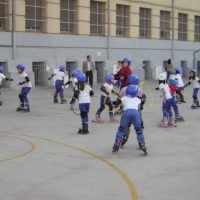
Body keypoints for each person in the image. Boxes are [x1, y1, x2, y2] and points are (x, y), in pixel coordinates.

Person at [112, 85, 147, 155]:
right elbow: (143, 101)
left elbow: (117, 102)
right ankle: (142, 143)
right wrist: (143, 99)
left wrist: (113, 103)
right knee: (139, 130)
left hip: (126, 113)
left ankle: (117, 142)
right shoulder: (137, 99)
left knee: (121, 129)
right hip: (135, 113)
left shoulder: (124, 98)